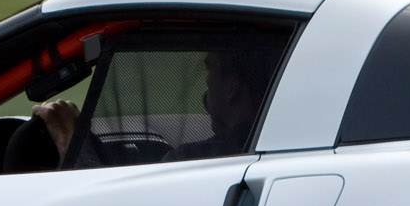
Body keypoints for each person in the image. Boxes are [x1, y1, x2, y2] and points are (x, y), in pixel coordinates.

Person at [27, 46, 269, 168]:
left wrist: (70, 142)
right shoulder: (263, 145)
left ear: (232, 87)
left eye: (210, 69)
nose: (205, 82)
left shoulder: (191, 162)